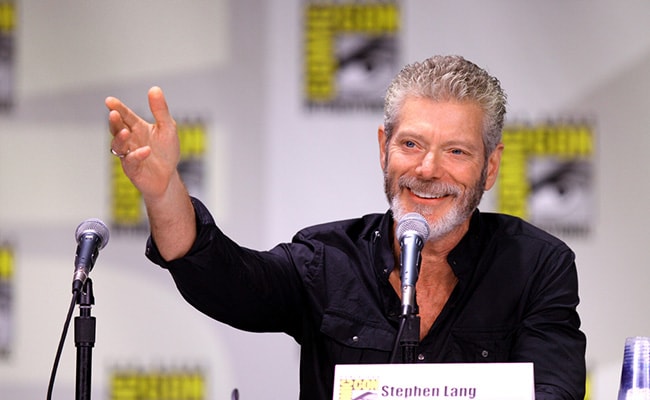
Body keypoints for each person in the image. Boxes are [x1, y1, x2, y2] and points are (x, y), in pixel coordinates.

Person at [106, 55, 586, 400]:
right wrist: (164, 189)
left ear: (492, 165)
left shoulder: (536, 266)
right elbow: (223, 279)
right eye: (412, 144)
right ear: (384, 148)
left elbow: (554, 388)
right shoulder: (327, 258)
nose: (428, 169)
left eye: (457, 151)